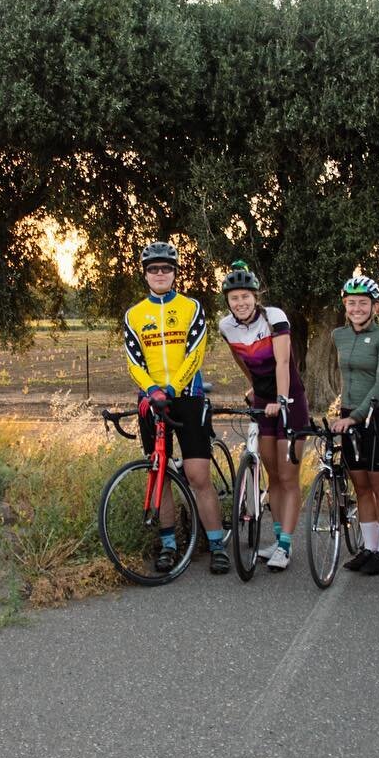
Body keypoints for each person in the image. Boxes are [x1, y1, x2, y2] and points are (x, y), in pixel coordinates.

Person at [122, 240, 230, 574]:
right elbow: (132, 361)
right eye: (153, 269)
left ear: (174, 273)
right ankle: (169, 543)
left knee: (198, 475)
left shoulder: (191, 307)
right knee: (160, 474)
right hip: (151, 401)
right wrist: (152, 389)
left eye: (165, 268)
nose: (159, 274)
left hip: (188, 398)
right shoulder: (134, 315)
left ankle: (215, 542)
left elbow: (195, 353)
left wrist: (172, 387)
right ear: (145, 274)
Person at [218, 261, 309, 571]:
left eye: (245, 296)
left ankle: (286, 545)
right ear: (227, 301)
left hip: (290, 400)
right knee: (272, 475)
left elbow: (282, 363)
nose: (240, 303)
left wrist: (282, 400)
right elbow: (241, 360)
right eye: (234, 298)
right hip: (263, 399)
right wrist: (252, 388)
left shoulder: (274, 318)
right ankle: (278, 538)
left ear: (255, 297)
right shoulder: (226, 326)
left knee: (288, 476)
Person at [330, 275, 379, 576]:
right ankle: (369, 547)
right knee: (360, 485)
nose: (356, 308)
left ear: (375, 306)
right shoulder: (338, 335)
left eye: (363, 303)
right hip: (348, 417)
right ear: (345, 305)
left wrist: (354, 416)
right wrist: (342, 412)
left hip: (375, 417)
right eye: (351, 303)